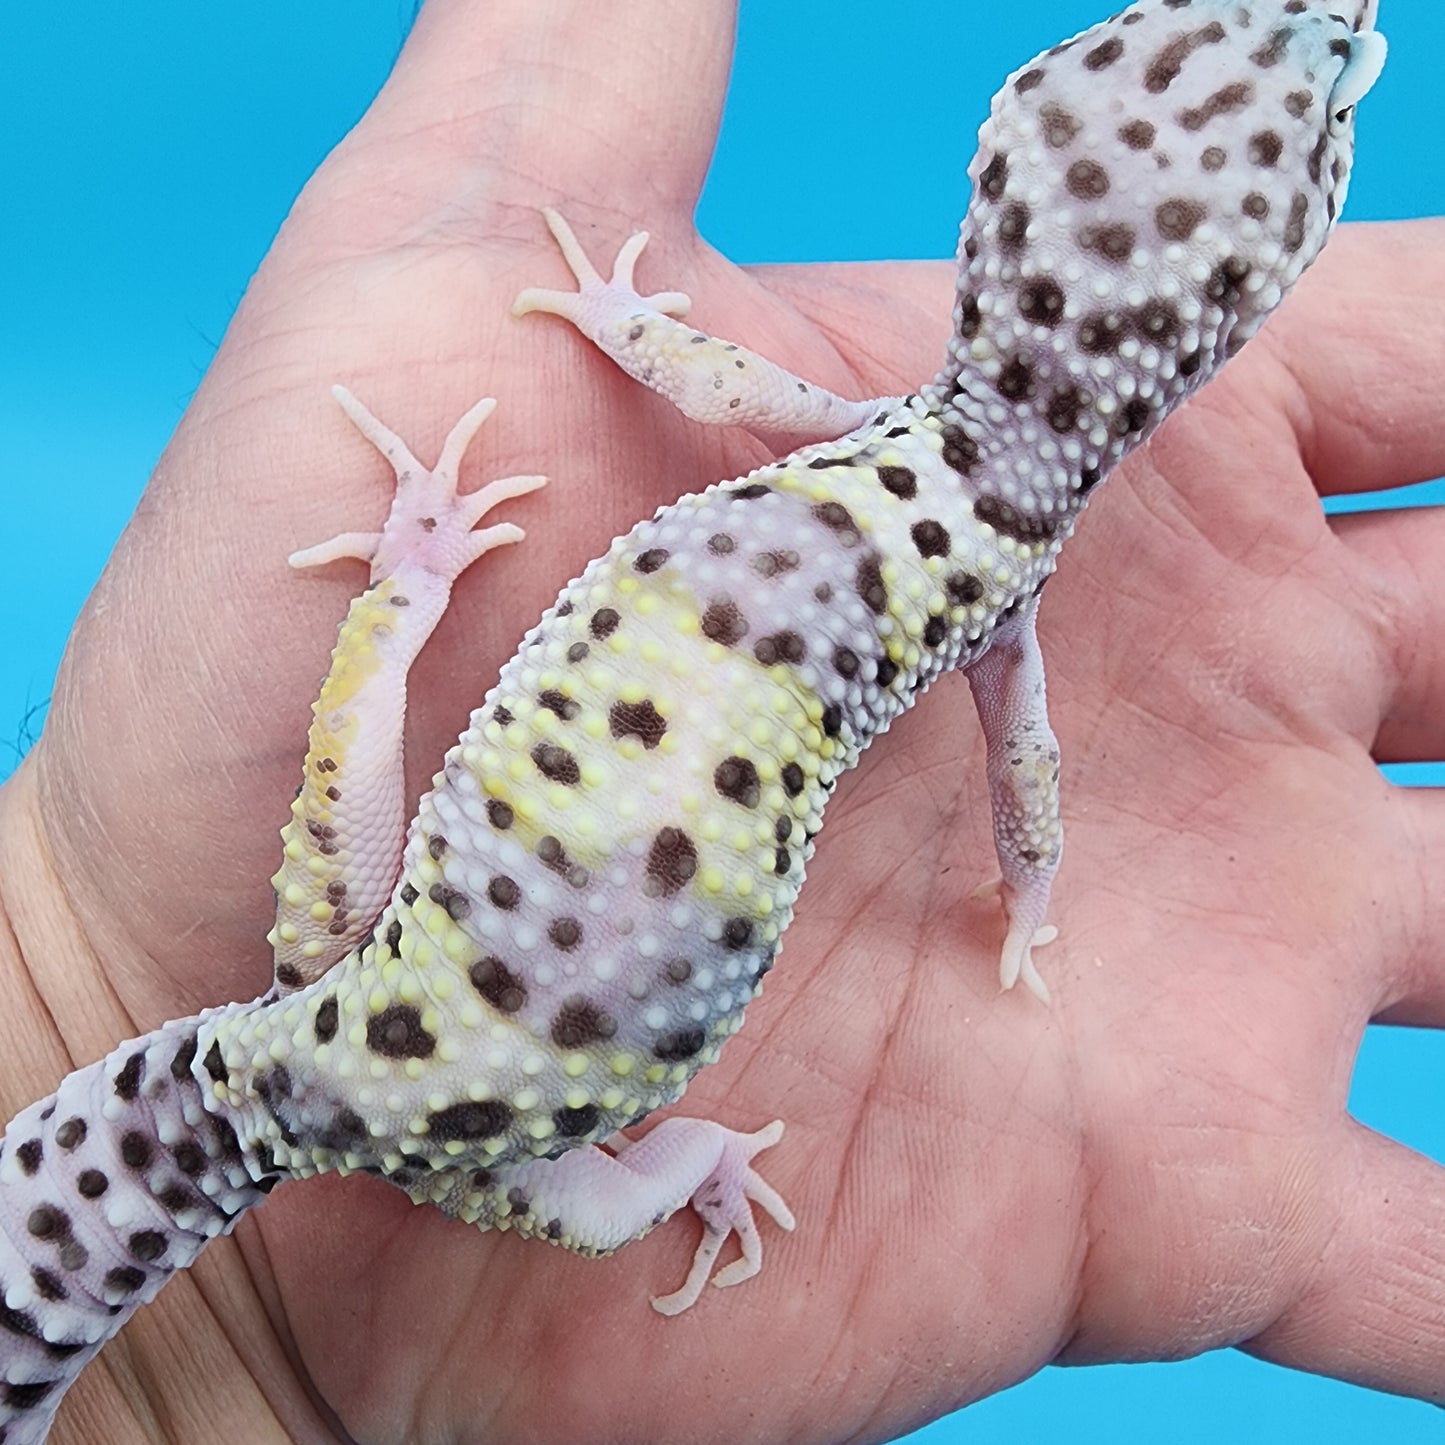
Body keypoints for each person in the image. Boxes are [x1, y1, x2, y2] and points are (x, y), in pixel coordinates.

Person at [2, 1, 1442, 1439]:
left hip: (367, 980)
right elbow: (1028, 779)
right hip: (486, 1121)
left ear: (1012, 149)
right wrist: (1030, 897)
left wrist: (441, 539)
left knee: (555, 1085)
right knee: (615, 1191)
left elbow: (704, 377)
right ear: (1239, 304)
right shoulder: (993, 598)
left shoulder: (870, 441)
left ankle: (409, 583)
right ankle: (683, 1167)